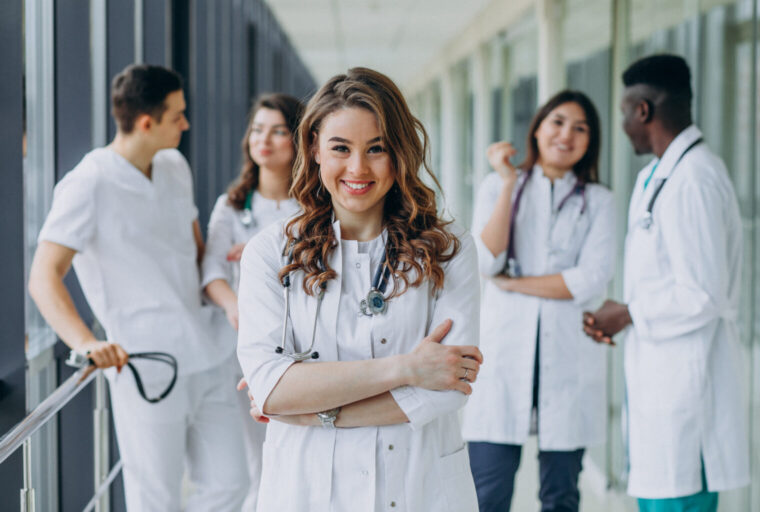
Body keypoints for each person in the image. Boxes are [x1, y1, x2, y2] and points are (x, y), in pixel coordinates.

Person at [237, 67, 483, 512]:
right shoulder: (270, 252)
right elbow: (272, 389)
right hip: (305, 490)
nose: (358, 168)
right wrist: (407, 369)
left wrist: (312, 410)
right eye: (340, 148)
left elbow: (449, 384)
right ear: (313, 148)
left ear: (400, 152)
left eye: (377, 148)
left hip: (419, 488)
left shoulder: (449, 247)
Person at [28, 64, 248, 511]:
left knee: (231, 483)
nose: (186, 124)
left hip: (208, 351)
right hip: (146, 365)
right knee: (156, 499)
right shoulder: (87, 183)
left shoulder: (173, 165)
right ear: (146, 123)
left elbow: (195, 250)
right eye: (177, 116)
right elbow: (43, 276)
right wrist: (88, 343)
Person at [583, 54, 750, 511]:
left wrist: (631, 312)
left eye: (623, 112)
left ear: (643, 110)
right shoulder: (660, 175)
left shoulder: (694, 179)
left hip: (687, 391)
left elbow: (703, 293)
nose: (622, 124)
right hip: (662, 384)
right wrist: (623, 312)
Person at [462, 90, 616, 512]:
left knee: (561, 496)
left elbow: (589, 280)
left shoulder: (599, 200)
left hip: (567, 360)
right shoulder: (498, 185)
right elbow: (488, 260)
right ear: (537, 128)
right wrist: (510, 183)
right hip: (503, 360)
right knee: (487, 494)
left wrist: (515, 284)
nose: (567, 134)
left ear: (591, 141)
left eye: (580, 128)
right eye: (558, 122)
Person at [201, 93, 303, 510]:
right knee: (257, 458)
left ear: (299, 140)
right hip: (247, 344)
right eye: (258, 130)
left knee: (298, 449)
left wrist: (265, 254)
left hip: (304, 340)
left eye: (279, 131)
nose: (265, 140)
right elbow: (211, 272)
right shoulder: (232, 205)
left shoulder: (315, 205)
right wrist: (234, 306)